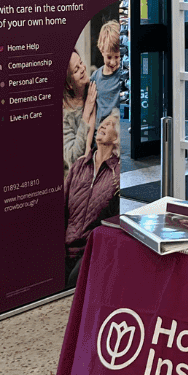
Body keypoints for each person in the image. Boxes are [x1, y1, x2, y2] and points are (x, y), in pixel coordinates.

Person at [64, 110, 120, 285]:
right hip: (66, 246)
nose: (103, 125)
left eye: (110, 124)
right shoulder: (79, 166)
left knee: (72, 283)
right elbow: (61, 208)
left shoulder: (117, 174)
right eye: (103, 122)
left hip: (92, 250)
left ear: (117, 138)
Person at [63, 50, 97, 177]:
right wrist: (86, 112)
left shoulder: (94, 86)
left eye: (81, 63)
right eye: (76, 70)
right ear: (69, 85)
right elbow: (73, 157)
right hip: (82, 178)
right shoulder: (65, 115)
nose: (83, 68)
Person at [88, 20, 123, 131]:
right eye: (109, 57)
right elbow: (92, 112)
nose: (113, 62)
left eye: (117, 57)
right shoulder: (95, 77)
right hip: (100, 136)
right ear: (101, 50)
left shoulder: (124, 75)